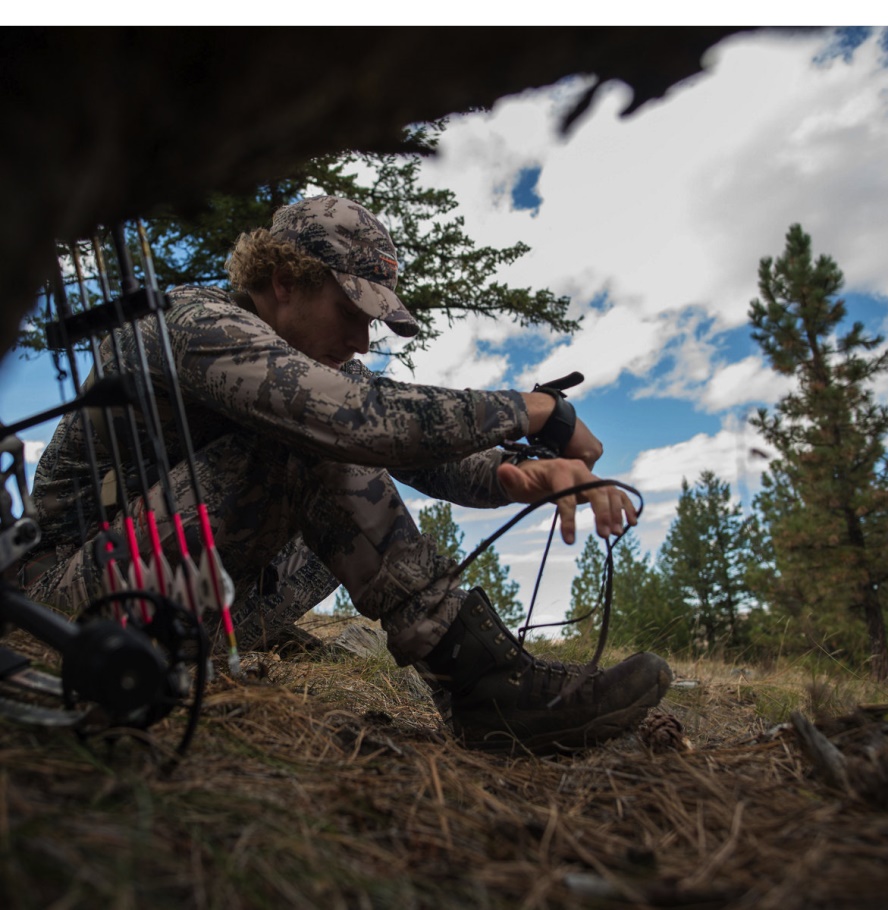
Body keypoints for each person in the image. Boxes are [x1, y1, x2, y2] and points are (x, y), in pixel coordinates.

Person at [24, 196, 671, 754]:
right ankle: (487, 688)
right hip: (60, 607)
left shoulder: (307, 360)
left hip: (182, 602)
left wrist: (509, 476)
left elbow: (412, 446)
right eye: (352, 311)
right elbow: (356, 422)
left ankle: (484, 684)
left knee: (325, 435)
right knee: (308, 436)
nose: (363, 341)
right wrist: (539, 412)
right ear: (282, 279)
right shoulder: (190, 324)